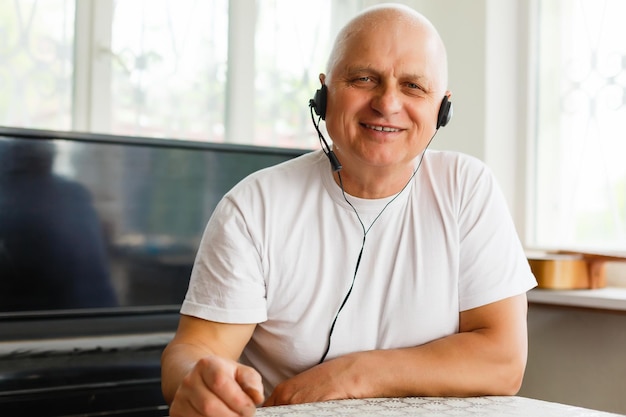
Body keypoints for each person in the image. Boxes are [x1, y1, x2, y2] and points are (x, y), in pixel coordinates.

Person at [161, 4, 537, 417]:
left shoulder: (468, 188)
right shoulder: (254, 206)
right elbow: (196, 349)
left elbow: (502, 362)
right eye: (364, 79)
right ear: (324, 94)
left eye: (413, 86)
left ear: (441, 109)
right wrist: (198, 380)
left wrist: (355, 374)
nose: (388, 103)